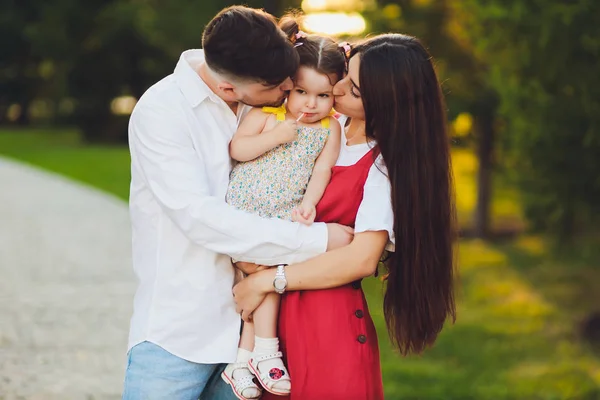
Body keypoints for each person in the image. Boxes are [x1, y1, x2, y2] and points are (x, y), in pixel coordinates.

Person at [123, 6, 353, 400]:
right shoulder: (162, 112)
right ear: (231, 91)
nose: (290, 94)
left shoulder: (268, 91)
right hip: (181, 334)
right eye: (283, 88)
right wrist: (319, 240)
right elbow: (201, 217)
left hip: (260, 337)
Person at [233, 33, 458, 400]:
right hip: (269, 317)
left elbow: (361, 258)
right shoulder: (320, 124)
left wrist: (265, 281)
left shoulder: (382, 166)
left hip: (324, 321)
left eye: (352, 89)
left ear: (385, 105)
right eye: (345, 74)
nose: (335, 89)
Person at [220, 17, 346, 400]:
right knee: (264, 275)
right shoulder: (267, 115)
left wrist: (309, 203)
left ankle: (242, 362)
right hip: (245, 211)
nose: (311, 103)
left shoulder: (330, 129)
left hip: (283, 213)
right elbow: (237, 151)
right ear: (288, 87)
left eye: (323, 96)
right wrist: (277, 136)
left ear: (334, 97)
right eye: (303, 92)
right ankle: (265, 352)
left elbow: (322, 170)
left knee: (265, 278)